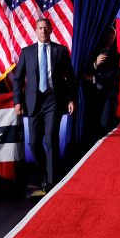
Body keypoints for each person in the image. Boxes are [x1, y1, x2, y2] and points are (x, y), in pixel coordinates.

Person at [13, 18, 76, 196]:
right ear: (35, 30)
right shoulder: (27, 52)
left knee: (50, 139)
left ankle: (51, 180)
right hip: (33, 103)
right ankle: (44, 172)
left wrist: (71, 99)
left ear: (51, 30)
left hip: (53, 101)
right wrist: (17, 101)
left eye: (46, 28)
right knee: (33, 143)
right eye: (40, 28)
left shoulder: (61, 51)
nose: (43, 31)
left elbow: (70, 77)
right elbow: (18, 78)